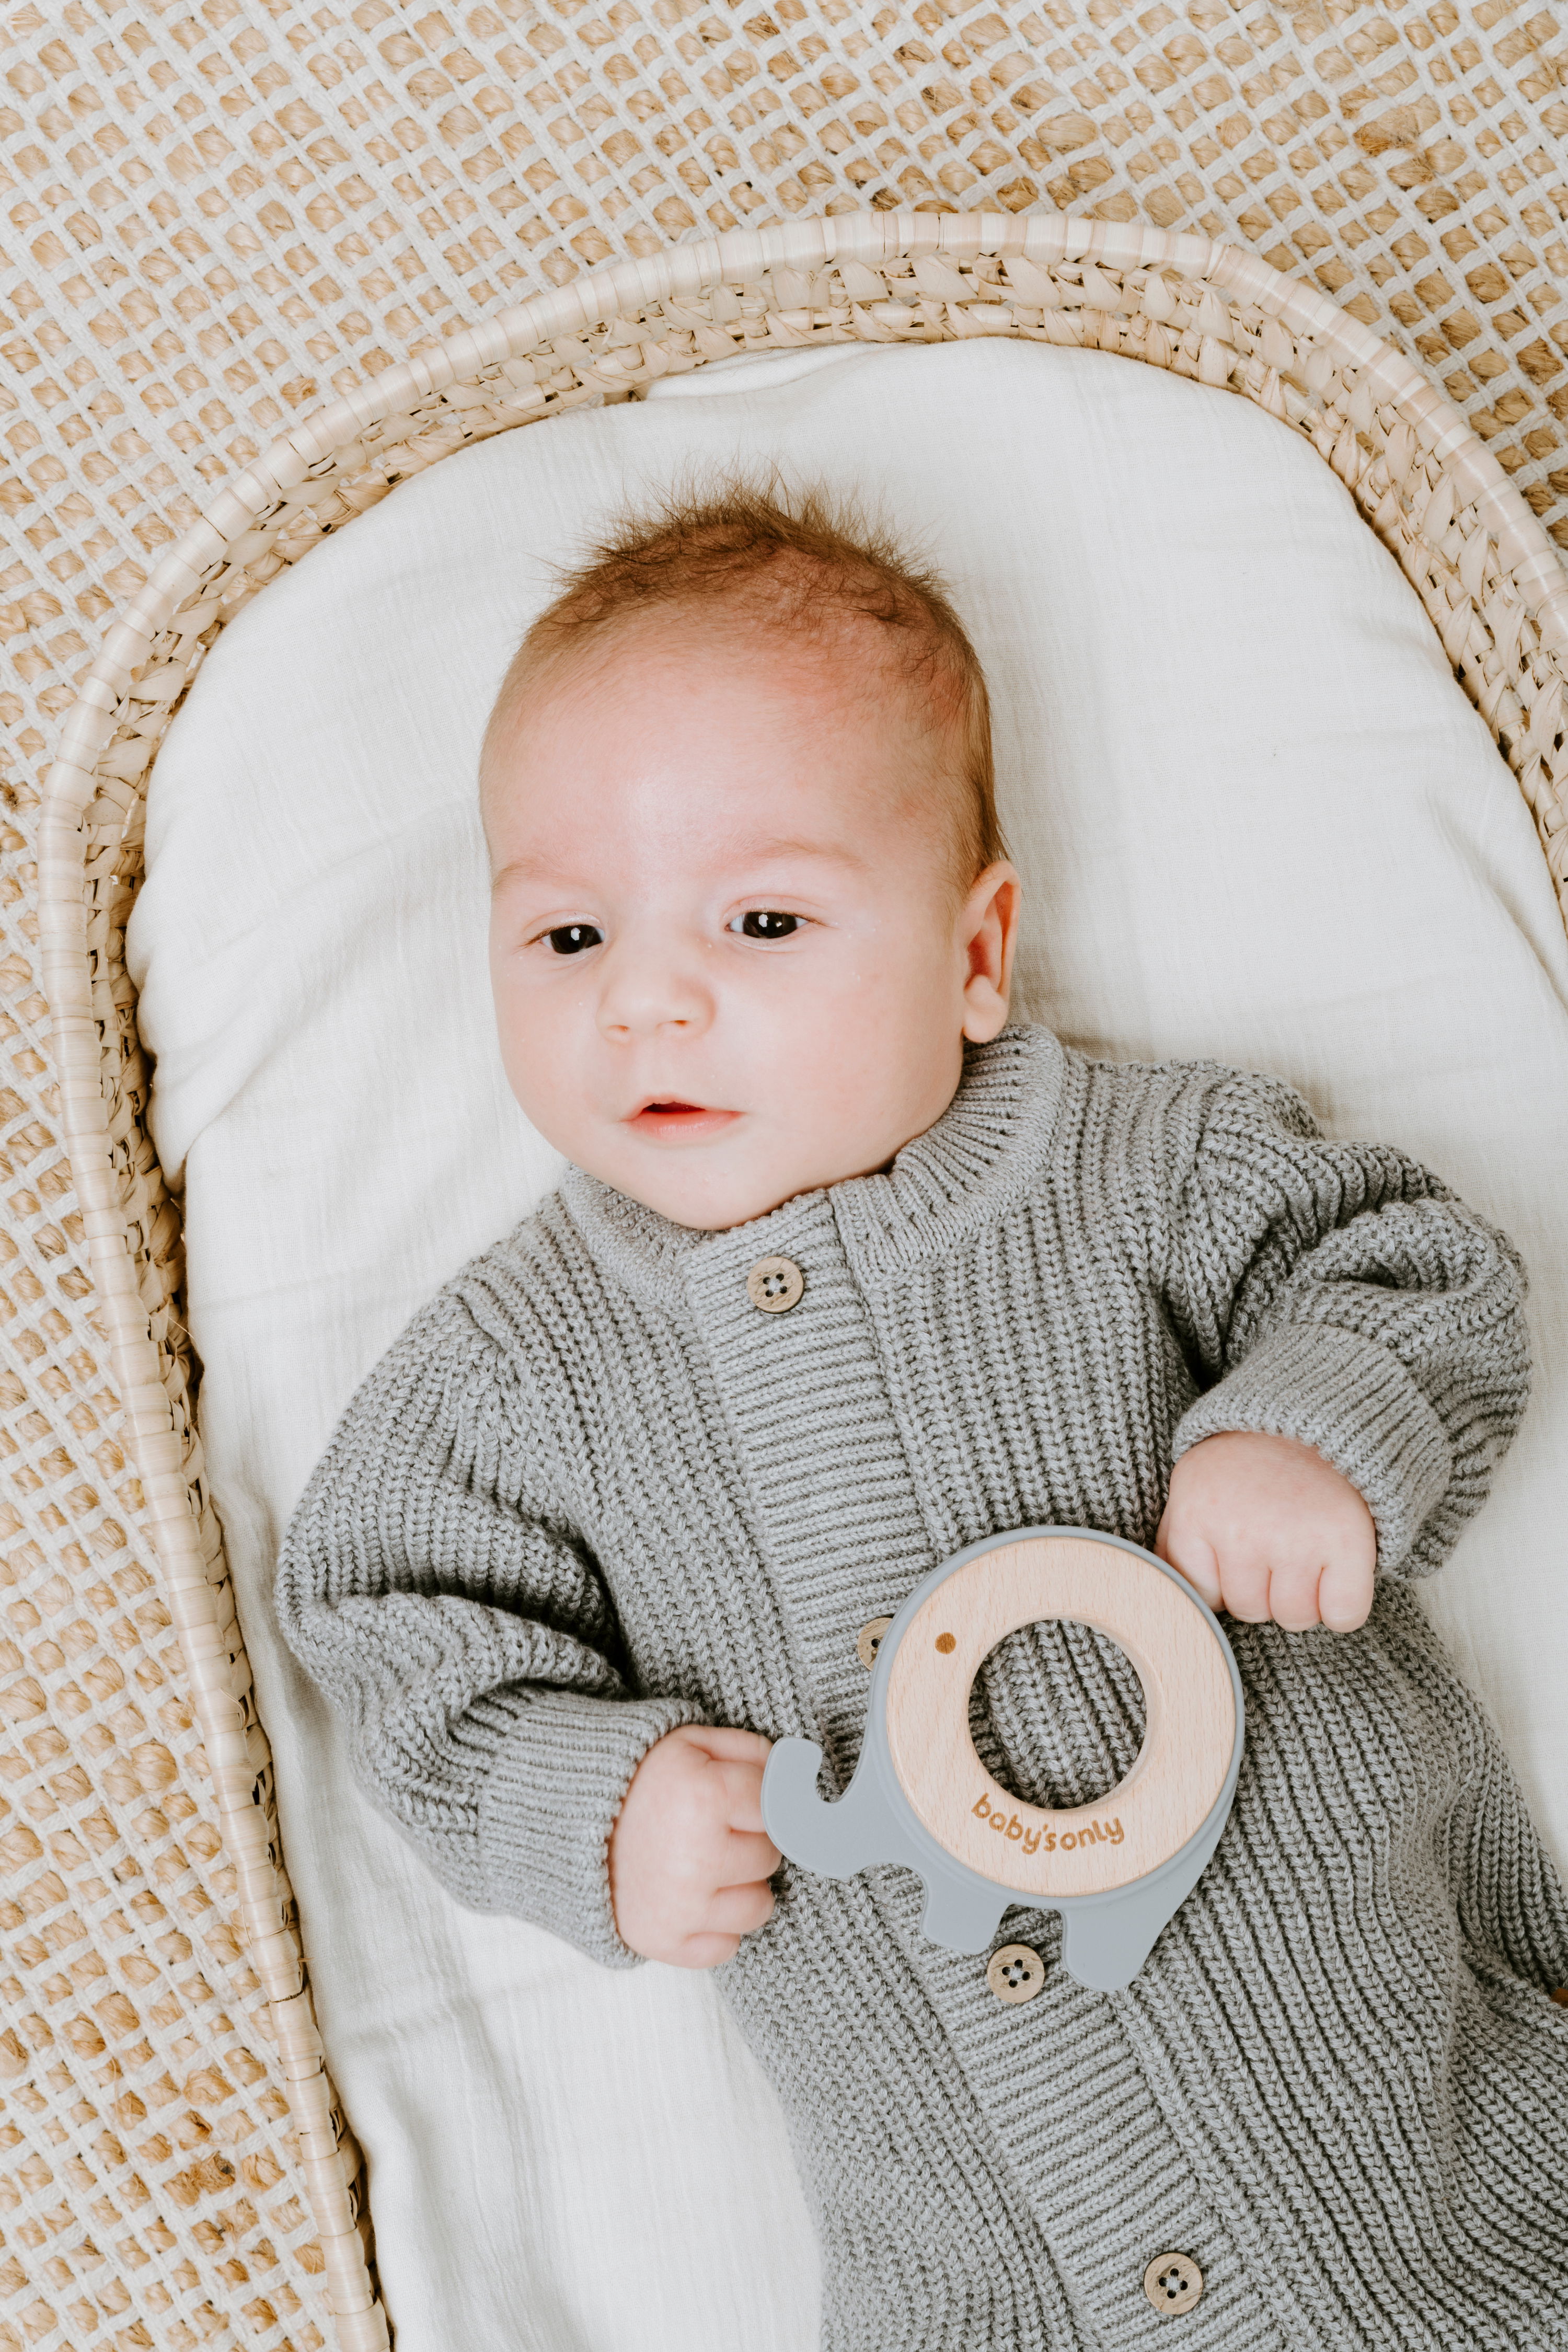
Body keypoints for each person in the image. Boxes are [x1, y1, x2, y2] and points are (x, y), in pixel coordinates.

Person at [276, 483, 1568, 2350]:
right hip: (982, 2288)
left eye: (764, 917)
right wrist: (596, 1799)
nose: (649, 997)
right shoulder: (510, 1376)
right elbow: (382, 1618)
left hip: (1454, 2192)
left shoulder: (1145, 1167)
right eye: (568, 941)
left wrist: (1316, 1424)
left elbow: (1417, 1267)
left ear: (975, 955)